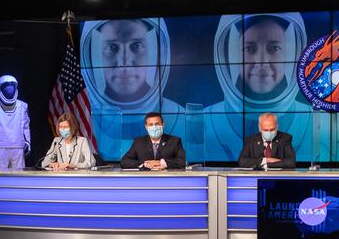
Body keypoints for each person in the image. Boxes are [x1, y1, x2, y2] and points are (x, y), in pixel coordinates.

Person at [205, 13, 321, 162]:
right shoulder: (205, 122)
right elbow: (242, 162)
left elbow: (291, 163)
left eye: (274, 48)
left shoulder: (316, 121)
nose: (262, 61)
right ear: (232, 55)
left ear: (291, 53)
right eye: (249, 49)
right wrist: (266, 161)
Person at [80, 18, 185, 162]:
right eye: (111, 47)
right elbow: (125, 162)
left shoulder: (181, 120)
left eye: (137, 46)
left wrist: (161, 164)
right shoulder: (87, 119)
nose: (124, 61)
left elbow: (181, 162)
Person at [120, 112, 185, 170]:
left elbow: (182, 162)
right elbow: (124, 161)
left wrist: (161, 163)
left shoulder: (175, 141)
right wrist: (145, 164)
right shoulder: (139, 142)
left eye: (157, 124)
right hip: (145, 180)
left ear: (163, 125)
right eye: (151, 124)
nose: (154, 127)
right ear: (146, 127)